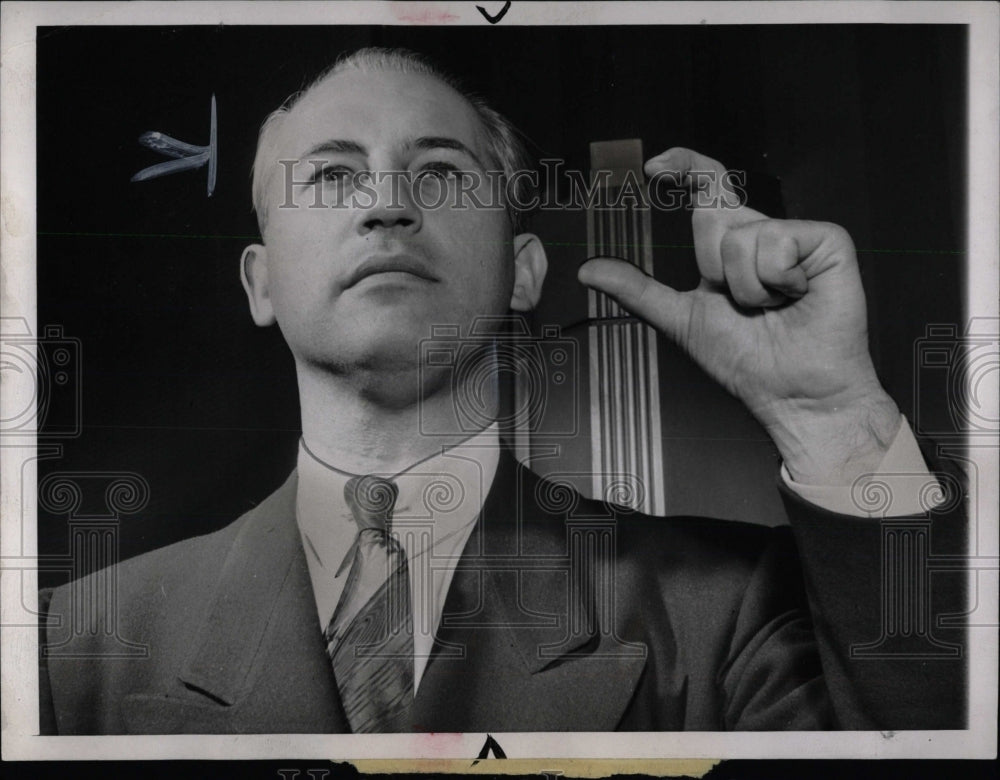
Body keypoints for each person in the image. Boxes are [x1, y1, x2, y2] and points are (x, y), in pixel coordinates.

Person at [40, 47, 965, 734]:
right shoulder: (76, 642)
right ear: (260, 282)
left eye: (440, 173)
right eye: (331, 175)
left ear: (523, 272)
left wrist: (832, 418)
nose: (386, 203)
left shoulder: (729, 610)